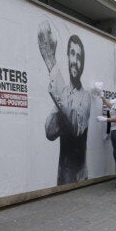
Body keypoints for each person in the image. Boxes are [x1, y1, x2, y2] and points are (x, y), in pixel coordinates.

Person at [39, 22, 91, 185]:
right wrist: (64, 112)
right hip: (61, 179)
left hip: (78, 180)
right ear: (67, 57)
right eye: (72, 54)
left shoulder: (86, 97)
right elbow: (50, 131)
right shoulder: (63, 92)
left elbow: (76, 124)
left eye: (79, 56)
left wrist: (51, 62)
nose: (75, 60)